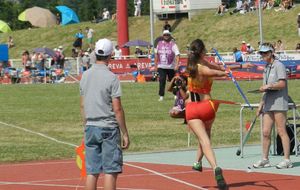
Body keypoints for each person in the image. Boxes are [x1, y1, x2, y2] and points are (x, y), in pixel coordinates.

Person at [185, 39, 254, 190]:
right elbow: (216, 72)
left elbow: (218, 67)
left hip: (192, 108)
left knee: (203, 139)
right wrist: (230, 71)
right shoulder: (204, 68)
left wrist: (235, 67)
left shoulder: (191, 66)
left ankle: (207, 165)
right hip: (207, 107)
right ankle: (205, 164)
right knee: (206, 138)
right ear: (202, 52)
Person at [80, 38, 130, 190]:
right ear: (110, 56)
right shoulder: (112, 77)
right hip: (108, 127)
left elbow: (82, 104)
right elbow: (117, 109)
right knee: (110, 171)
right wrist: (125, 133)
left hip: (90, 126)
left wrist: (86, 125)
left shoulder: (85, 76)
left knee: (92, 171)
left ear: (95, 53)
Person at [253, 42, 293, 169]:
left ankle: (287, 160)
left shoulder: (279, 66)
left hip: (279, 102)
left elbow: (282, 84)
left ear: (271, 52)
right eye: (261, 53)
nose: (263, 55)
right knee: (265, 132)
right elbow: (265, 89)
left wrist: (269, 86)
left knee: (281, 131)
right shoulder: (266, 68)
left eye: (265, 52)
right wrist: (261, 104)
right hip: (268, 103)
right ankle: (265, 159)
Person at [155, 30, 180, 101]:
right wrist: (155, 65)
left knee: (173, 81)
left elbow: (177, 55)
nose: (166, 36)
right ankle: (161, 96)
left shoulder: (173, 44)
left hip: (171, 66)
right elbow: (156, 55)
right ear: (162, 36)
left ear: (170, 36)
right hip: (161, 66)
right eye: (165, 35)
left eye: (167, 35)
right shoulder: (159, 44)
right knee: (162, 80)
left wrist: (177, 65)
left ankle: (175, 94)